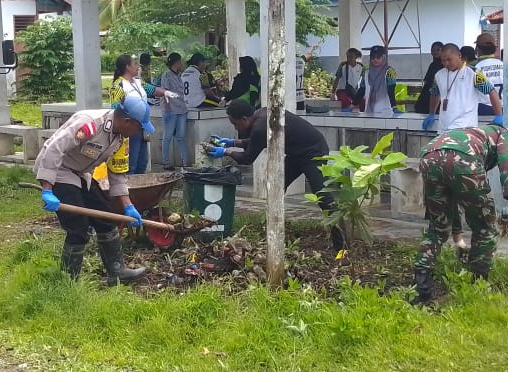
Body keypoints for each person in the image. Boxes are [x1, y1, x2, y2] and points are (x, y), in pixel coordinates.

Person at [34, 95, 155, 283]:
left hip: (81, 174)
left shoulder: (120, 139)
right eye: (139, 127)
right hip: (58, 171)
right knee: (78, 227)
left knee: (105, 217)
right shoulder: (89, 124)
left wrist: (128, 206)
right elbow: (54, 148)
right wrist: (47, 190)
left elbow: (117, 174)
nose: (139, 132)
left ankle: (117, 272)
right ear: (127, 121)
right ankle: (68, 281)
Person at [207, 100, 346, 250]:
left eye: (235, 124)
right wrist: (232, 143)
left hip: (314, 152)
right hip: (297, 153)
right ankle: (276, 229)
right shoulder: (262, 114)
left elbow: (247, 158)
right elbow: (258, 140)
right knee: (277, 187)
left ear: (245, 119)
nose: (235, 127)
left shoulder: (260, 127)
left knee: (322, 196)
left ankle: (342, 246)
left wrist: (225, 151)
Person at [412, 124, 508, 305]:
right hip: (465, 161)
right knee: (485, 228)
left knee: (437, 227)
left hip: (429, 157)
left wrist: (458, 239)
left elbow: (452, 199)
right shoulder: (505, 135)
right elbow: (507, 162)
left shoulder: (470, 133)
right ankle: (478, 287)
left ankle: (421, 288)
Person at [423, 43, 503, 248]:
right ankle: (454, 234)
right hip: (443, 132)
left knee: (462, 185)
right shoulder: (440, 75)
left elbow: (492, 92)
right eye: (443, 60)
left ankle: (475, 232)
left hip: (465, 134)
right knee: (444, 186)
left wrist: (498, 115)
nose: (445, 63)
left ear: (459, 56)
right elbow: (435, 93)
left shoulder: (473, 74)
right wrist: (431, 113)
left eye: (449, 59)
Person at [109, 54, 175, 174]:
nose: (138, 66)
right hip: (129, 129)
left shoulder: (138, 82)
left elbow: (152, 90)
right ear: (127, 67)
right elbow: (115, 108)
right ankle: (130, 184)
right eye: (135, 64)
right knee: (132, 163)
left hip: (142, 126)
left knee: (142, 162)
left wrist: (165, 92)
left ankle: (140, 183)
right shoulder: (118, 85)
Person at [160, 53, 189, 170]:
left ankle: (185, 162)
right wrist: (167, 110)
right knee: (167, 136)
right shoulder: (166, 76)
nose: (181, 64)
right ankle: (166, 162)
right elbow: (165, 93)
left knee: (181, 136)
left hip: (181, 109)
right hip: (171, 110)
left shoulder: (179, 75)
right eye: (180, 61)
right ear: (176, 62)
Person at [355, 45, 400, 115]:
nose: (375, 59)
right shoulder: (366, 71)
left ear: (383, 57)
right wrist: (352, 105)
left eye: (378, 57)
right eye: (373, 57)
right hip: (369, 111)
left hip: (385, 112)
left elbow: (391, 90)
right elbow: (362, 89)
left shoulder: (390, 71)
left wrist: (394, 107)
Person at [471, 33, 504, 116]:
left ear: (478, 48)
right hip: (503, 109)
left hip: (482, 110)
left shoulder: (474, 68)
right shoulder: (504, 65)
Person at [414, 42, 444, 114]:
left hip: (440, 93)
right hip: (428, 92)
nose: (435, 52)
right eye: (433, 50)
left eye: (438, 50)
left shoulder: (444, 65)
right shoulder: (433, 65)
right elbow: (427, 80)